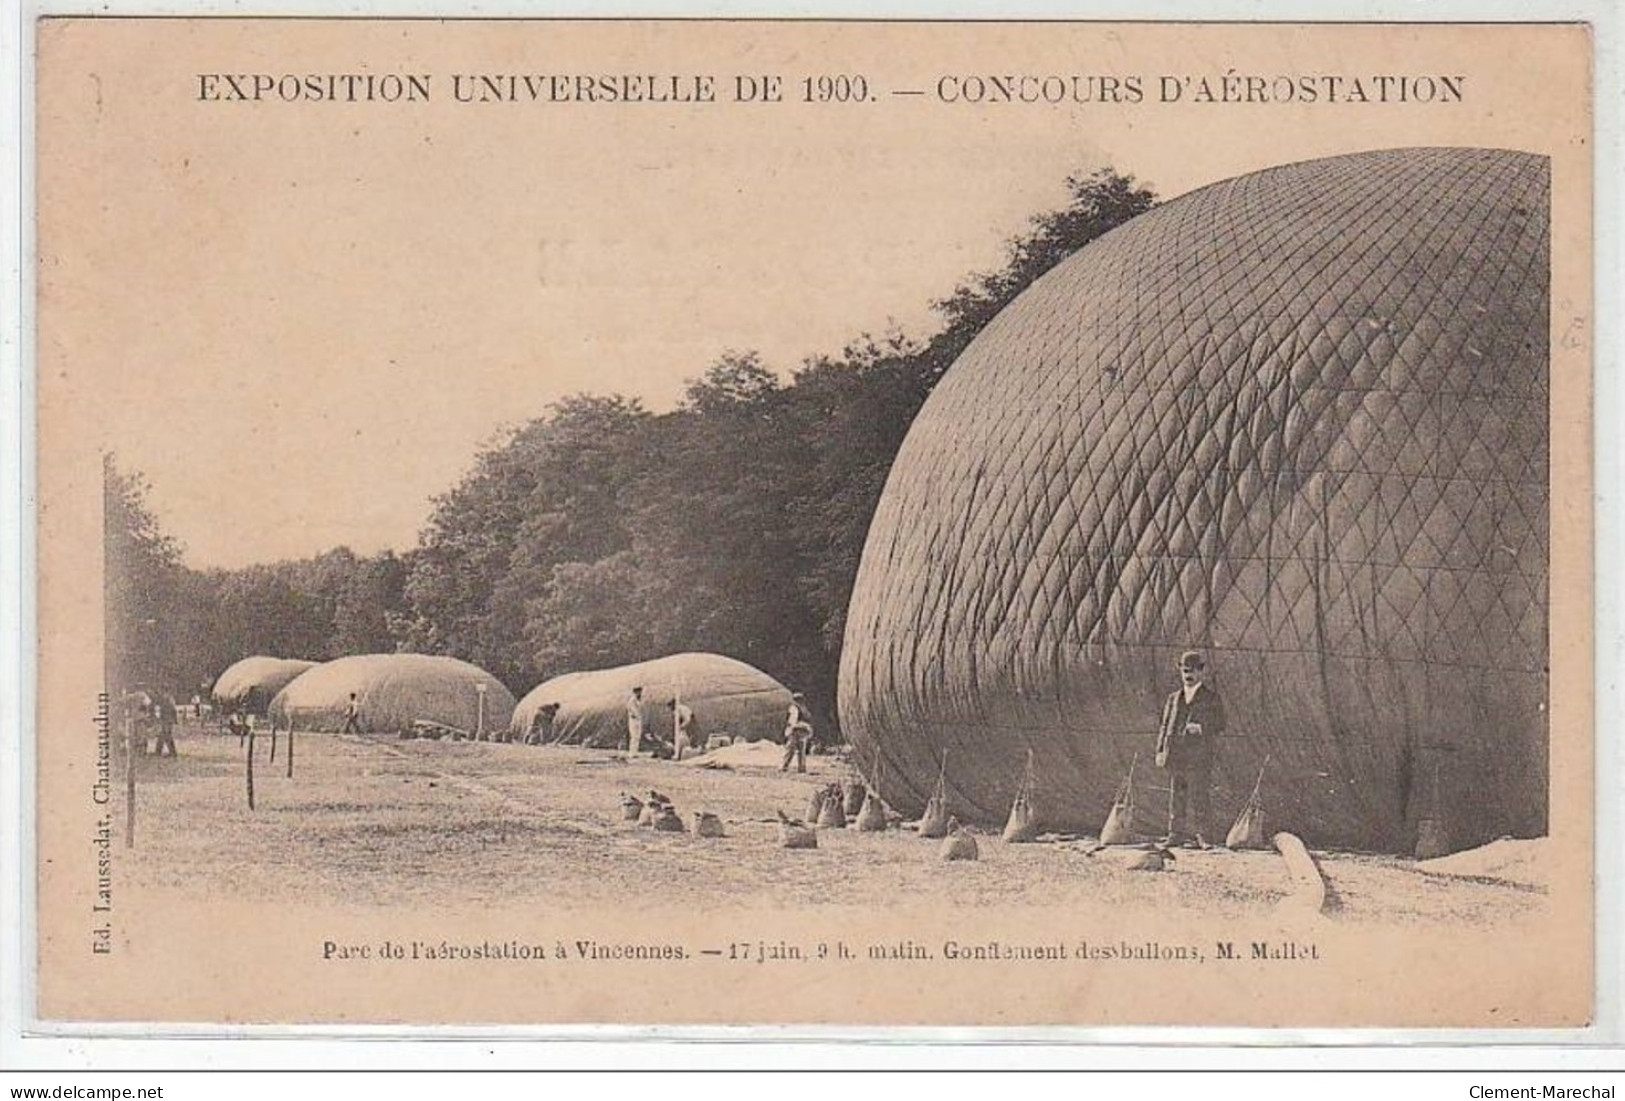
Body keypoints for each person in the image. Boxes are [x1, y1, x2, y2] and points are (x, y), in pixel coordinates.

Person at [1154, 649, 1227, 848]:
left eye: (1193, 671)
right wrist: (1160, 751)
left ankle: (1203, 837)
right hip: (1176, 755)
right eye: (1185, 671)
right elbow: (1164, 726)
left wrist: (1202, 728)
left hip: (1198, 756)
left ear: (1201, 672)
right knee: (1177, 796)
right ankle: (1175, 835)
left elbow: (1220, 723)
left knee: (1199, 796)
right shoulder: (1173, 698)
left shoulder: (1211, 698)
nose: (1188, 675)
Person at [780, 693, 813, 774]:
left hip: (801, 731)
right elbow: (792, 721)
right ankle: (784, 766)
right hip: (795, 731)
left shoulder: (801, 709)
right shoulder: (795, 708)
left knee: (800, 750)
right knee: (791, 750)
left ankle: (801, 768)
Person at [625, 686, 645, 755]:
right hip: (633, 720)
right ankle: (632, 752)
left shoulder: (639, 700)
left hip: (638, 719)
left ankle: (635, 751)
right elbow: (632, 710)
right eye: (638, 692)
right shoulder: (632, 700)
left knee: (637, 736)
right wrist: (636, 715)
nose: (639, 693)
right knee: (633, 736)